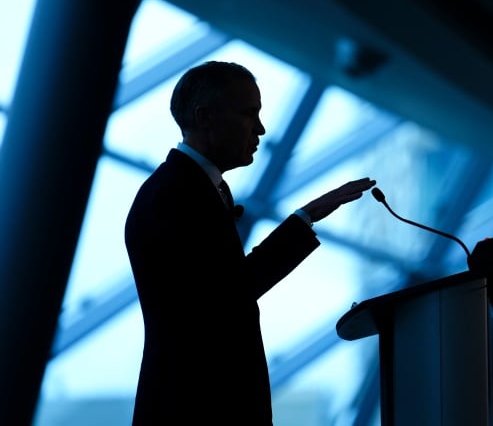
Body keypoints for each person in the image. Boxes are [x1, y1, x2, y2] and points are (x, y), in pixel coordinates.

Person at [124, 60, 376, 425]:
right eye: (248, 114)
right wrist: (307, 217)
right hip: (197, 406)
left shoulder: (187, 189)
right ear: (206, 117)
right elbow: (226, 294)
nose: (260, 129)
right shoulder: (174, 195)